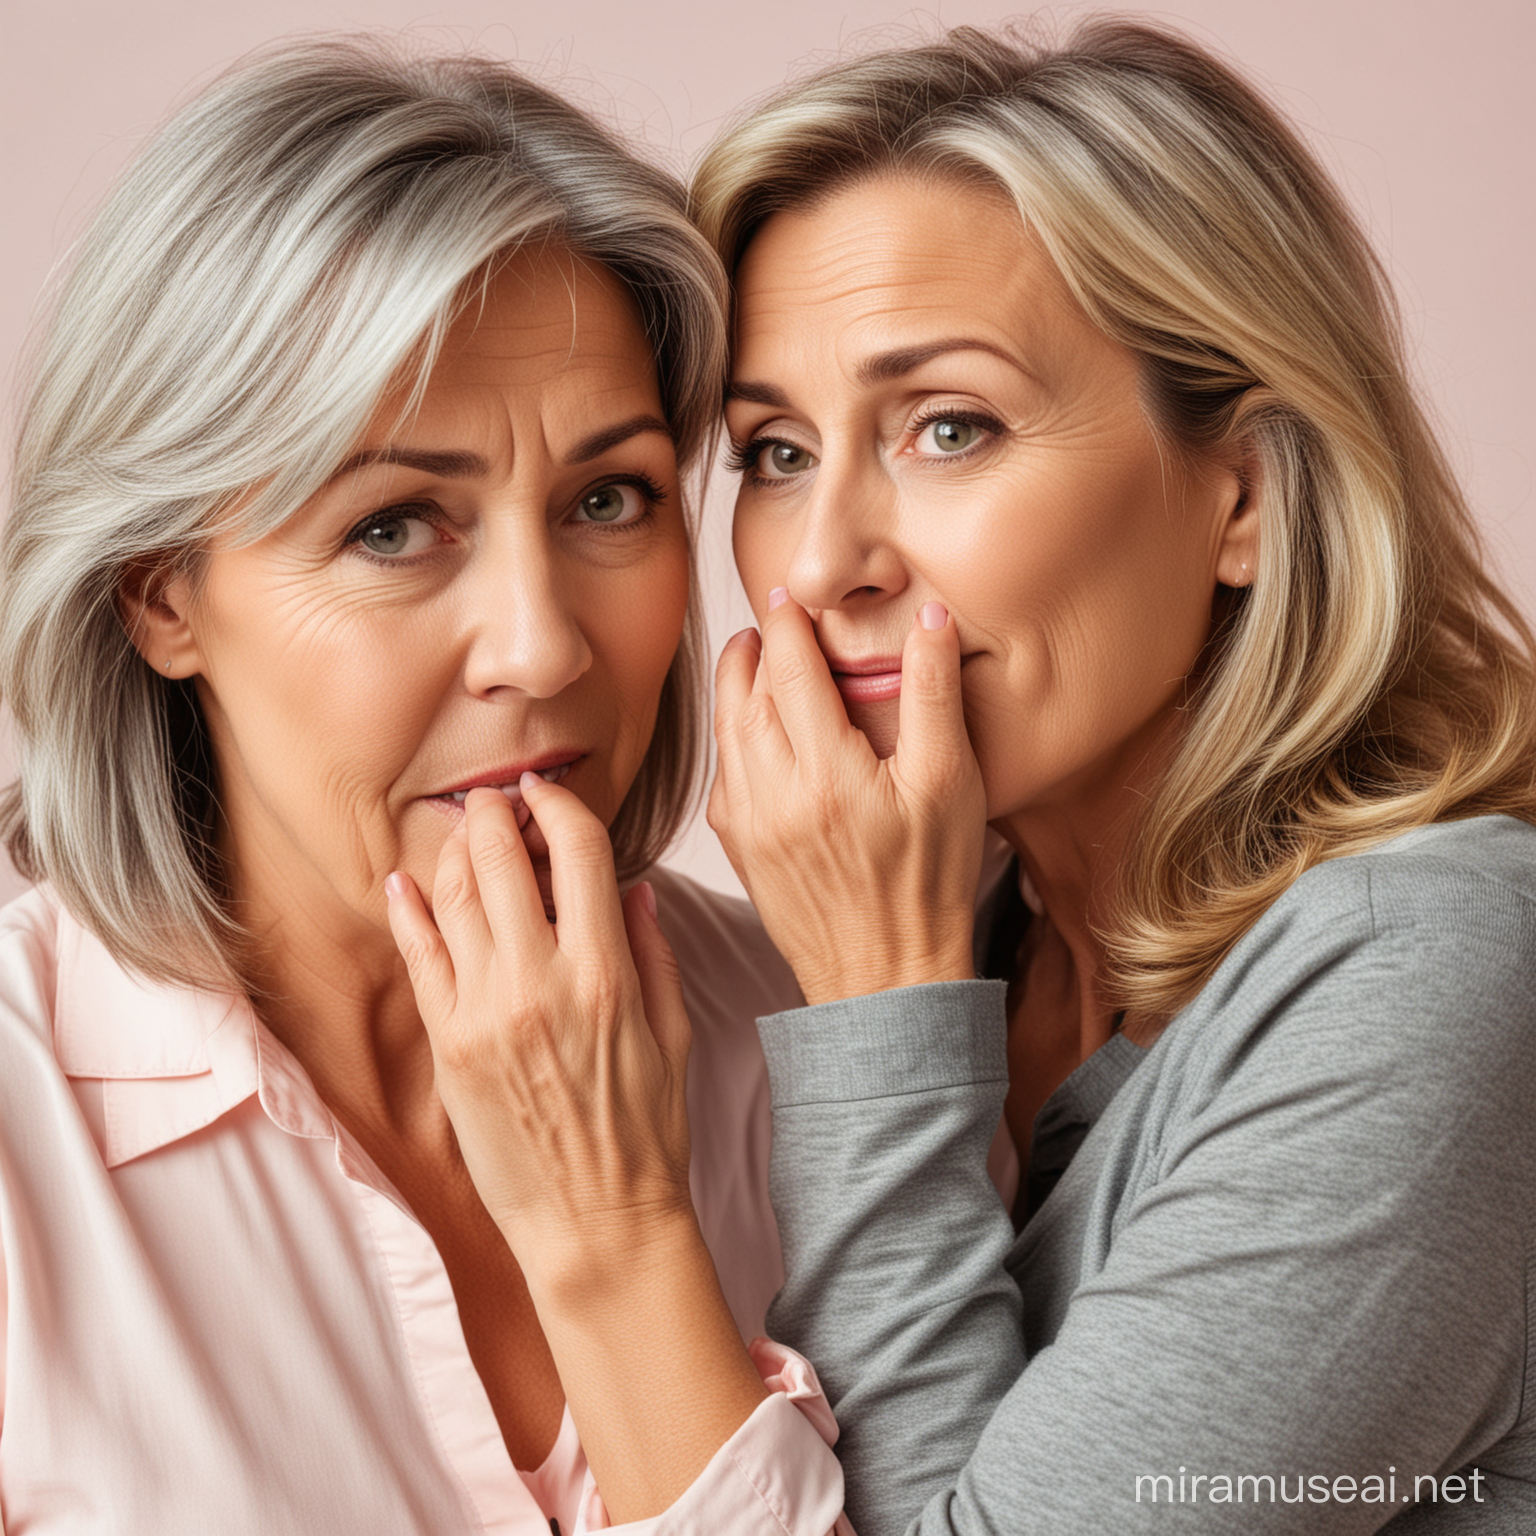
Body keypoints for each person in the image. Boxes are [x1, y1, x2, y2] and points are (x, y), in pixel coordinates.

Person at [397, 17, 1536, 1534]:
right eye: (777, 452)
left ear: (1244, 497)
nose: (818, 563)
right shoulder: (979, 937)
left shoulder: (1433, 967)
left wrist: (875, 1019)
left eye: (949, 428)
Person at [0, 37, 814, 1535]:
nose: (544, 639)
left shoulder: (807, 1049)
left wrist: (616, 1234)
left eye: (609, 498)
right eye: (393, 527)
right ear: (158, 594)